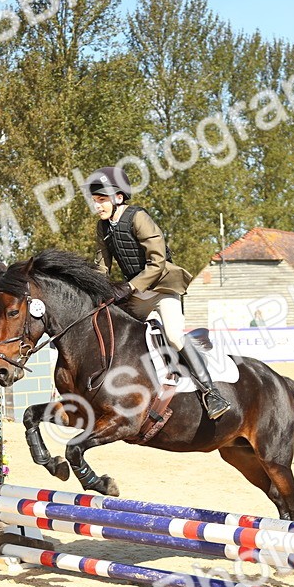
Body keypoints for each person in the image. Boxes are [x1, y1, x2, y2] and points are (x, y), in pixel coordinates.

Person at [86, 166, 231, 419]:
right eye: (95, 201)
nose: (97, 206)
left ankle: (212, 393)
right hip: (136, 293)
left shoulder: (138, 217)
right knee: (112, 327)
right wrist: (93, 292)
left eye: (102, 200)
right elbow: (101, 267)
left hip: (163, 288)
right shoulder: (103, 228)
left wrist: (129, 286)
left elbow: (158, 261)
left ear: (118, 197)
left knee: (174, 336)